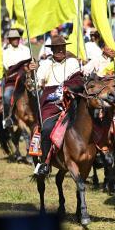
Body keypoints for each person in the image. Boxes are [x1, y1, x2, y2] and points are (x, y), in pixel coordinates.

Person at [29, 35, 82, 176]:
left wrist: (67, 88)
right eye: (57, 48)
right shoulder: (45, 64)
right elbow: (36, 84)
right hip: (51, 102)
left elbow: (78, 80)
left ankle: (99, 154)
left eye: (62, 47)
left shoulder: (73, 62)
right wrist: (31, 73)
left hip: (71, 98)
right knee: (46, 128)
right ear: (52, 50)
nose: (60, 50)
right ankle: (45, 163)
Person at [1, 29, 32, 129]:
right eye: (13, 38)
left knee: (38, 93)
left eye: (17, 38)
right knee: (6, 96)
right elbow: (7, 66)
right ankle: (7, 118)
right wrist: (20, 66)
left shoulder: (26, 49)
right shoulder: (5, 52)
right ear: (9, 40)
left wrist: (26, 67)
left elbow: (29, 63)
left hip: (26, 78)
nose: (15, 40)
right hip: (12, 79)